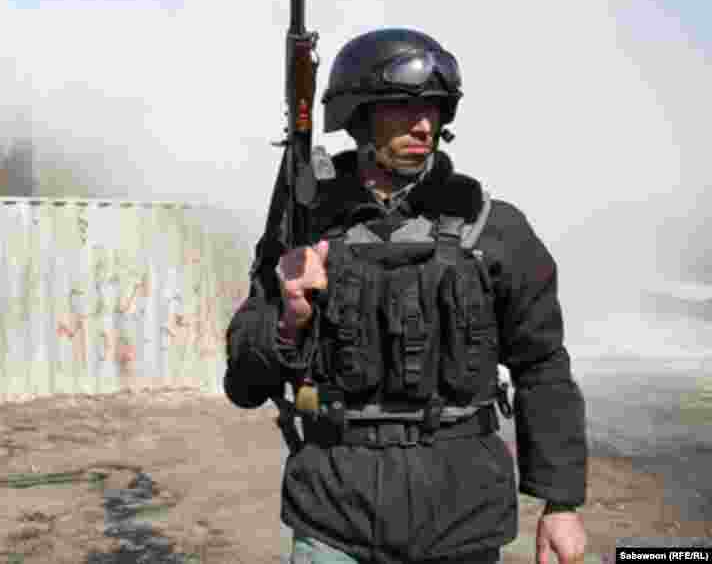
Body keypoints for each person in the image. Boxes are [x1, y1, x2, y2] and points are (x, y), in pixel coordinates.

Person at [224, 28, 588, 564]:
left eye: (435, 110)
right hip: (335, 515)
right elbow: (244, 384)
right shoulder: (304, 231)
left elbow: (542, 366)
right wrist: (289, 321)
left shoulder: (491, 230)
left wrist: (561, 502)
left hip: (463, 517)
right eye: (403, 108)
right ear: (360, 117)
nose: (424, 125)